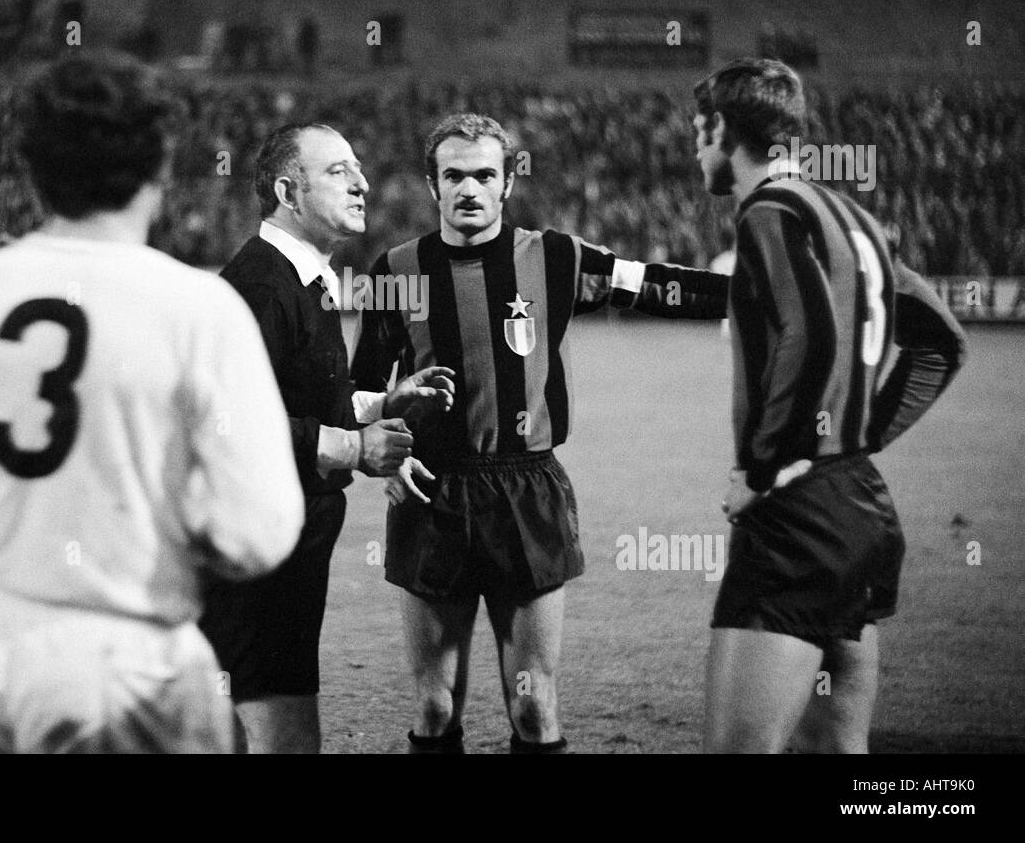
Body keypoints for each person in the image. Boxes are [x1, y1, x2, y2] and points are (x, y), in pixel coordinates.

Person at [0, 53, 305, 753]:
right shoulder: (200, 308)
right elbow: (260, 531)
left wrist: (7, 499)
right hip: (127, 655)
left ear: (33, 173)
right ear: (160, 171)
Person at [351, 113, 730, 753]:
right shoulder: (395, 272)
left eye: (484, 175)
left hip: (525, 492)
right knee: (435, 706)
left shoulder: (554, 259)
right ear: (433, 184)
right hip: (433, 493)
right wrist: (384, 456)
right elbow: (359, 393)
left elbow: (652, 285)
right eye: (453, 176)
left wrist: (759, 292)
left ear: (507, 184)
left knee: (532, 706)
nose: (469, 189)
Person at [691, 58, 967, 753]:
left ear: (722, 128)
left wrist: (760, 470)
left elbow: (809, 337)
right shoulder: (856, 219)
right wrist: (858, 433)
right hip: (860, 505)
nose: (697, 150)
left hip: (797, 518)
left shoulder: (770, 213)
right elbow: (943, 342)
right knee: (837, 751)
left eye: (699, 132)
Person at [199, 122, 455, 754]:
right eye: (338, 171)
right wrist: (353, 448)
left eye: (358, 168)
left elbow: (295, 398)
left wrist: (381, 403)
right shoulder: (264, 287)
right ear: (289, 192)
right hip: (258, 554)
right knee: (279, 736)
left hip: (283, 547)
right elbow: (224, 420)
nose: (362, 183)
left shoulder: (301, 280)